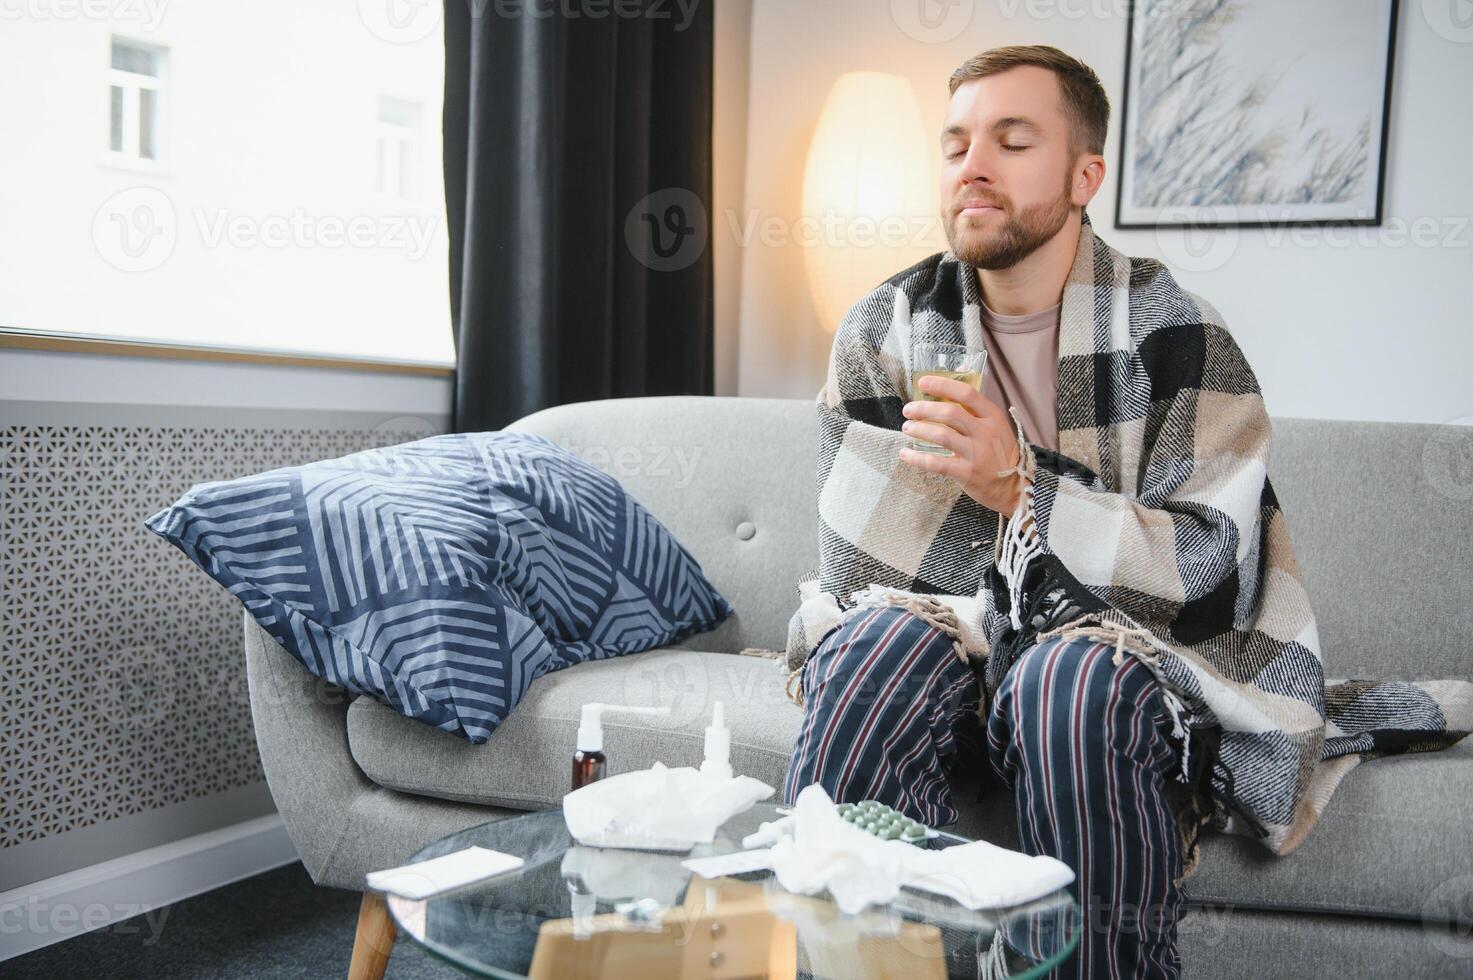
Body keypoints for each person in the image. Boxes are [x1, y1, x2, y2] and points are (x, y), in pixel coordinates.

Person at [784, 45, 1215, 979]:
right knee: (865, 659)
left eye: (1012, 141)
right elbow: (862, 570)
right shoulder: (883, 327)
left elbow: (1207, 558)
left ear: (1082, 174)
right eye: (954, 145)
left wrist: (1022, 483)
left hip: (1108, 648)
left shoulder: (1176, 333)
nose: (972, 165)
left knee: (1070, 686)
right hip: (944, 631)